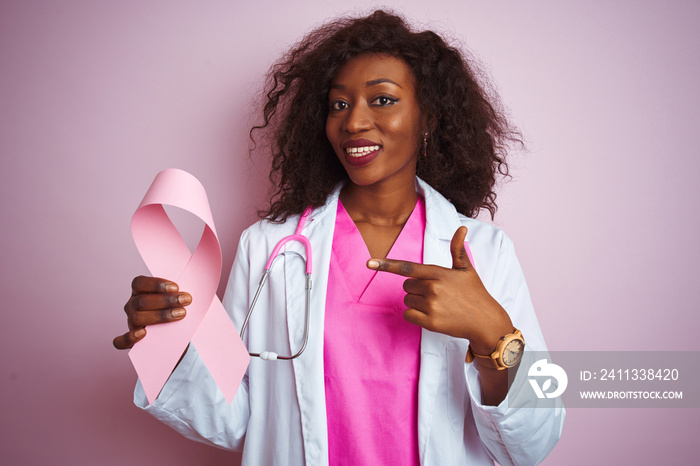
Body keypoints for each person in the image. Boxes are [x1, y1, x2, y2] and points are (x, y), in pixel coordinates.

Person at [114, 10, 564, 465]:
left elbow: (532, 444)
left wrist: (493, 338)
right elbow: (235, 419)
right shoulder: (270, 247)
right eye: (339, 104)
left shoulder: (485, 251)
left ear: (427, 117)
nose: (353, 123)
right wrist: (167, 344)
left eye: (382, 100)